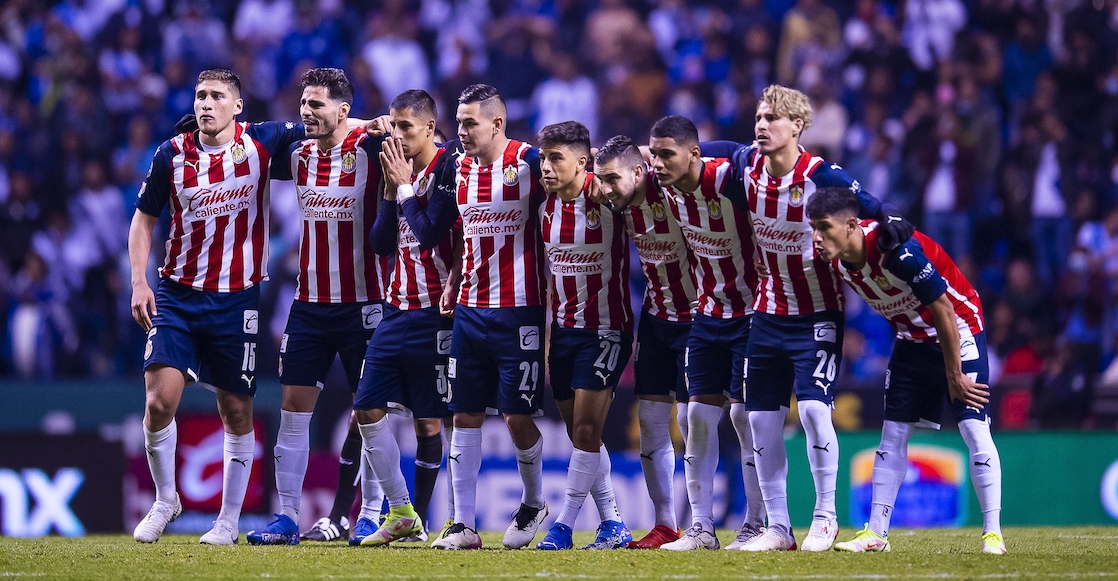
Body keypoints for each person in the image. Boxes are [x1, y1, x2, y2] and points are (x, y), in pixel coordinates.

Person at [701, 85, 913, 552]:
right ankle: (778, 527)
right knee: (759, 420)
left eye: (772, 118)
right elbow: (709, 150)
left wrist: (894, 217)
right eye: (759, 117)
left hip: (818, 312)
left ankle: (825, 518)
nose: (761, 125)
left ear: (797, 126)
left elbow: (869, 202)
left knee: (816, 411)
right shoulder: (747, 165)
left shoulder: (821, 174)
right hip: (767, 313)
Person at [129, 69, 306, 545]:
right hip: (177, 295)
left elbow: (324, 124)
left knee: (236, 411)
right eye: (200, 96)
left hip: (237, 299)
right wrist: (139, 282)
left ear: (237, 105)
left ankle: (227, 521)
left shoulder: (262, 143)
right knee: (158, 401)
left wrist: (376, 123)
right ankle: (166, 499)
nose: (206, 104)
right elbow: (143, 220)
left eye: (217, 96)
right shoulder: (171, 154)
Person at [806, 186, 1005, 555]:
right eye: (813, 228)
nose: (816, 237)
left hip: (958, 330)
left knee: (973, 429)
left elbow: (944, 309)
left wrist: (953, 374)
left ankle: (993, 535)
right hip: (912, 338)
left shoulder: (897, 252)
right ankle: (876, 534)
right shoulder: (834, 260)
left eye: (824, 227)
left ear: (851, 225)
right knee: (892, 436)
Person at [243, 68, 391, 546]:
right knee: (292, 408)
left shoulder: (371, 149)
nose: (306, 112)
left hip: (364, 304)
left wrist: (375, 124)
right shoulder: (298, 154)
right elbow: (257, 133)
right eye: (304, 103)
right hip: (308, 304)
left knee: (370, 411)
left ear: (343, 111)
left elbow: (422, 138)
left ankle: (369, 515)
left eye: (317, 104)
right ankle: (287, 516)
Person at [431, 84, 549, 550]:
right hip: (469, 309)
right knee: (464, 414)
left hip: (519, 310)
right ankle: (463, 524)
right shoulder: (456, 166)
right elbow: (464, 233)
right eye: (458, 122)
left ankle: (535, 501)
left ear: (497, 123)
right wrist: (453, 278)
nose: (460, 131)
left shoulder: (530, 162)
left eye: (469, 123)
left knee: (517, 416)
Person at [639, 116, 764, 552]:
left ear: (695, 154)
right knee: (696, 419)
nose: (657, 163)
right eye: (654, 154)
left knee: (745, 418)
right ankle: (701, 529)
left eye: (667, 154)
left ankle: (756, 524)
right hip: (707, 314)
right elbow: (629, 158)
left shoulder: (728, 179)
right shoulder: (664, 185)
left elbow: (742, 158)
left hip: (751, 312)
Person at [356, 88, 463, 547]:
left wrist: (402, 187)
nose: (397, 136)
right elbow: (381, 244)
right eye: (393, 126)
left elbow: (429, 233)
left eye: (406, 127)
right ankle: (402, 512)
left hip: (438, 314)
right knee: (366, 406)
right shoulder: (398, 171)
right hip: (396, 308)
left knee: (434, 421)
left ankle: (442, 518)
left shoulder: (447, 168)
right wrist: (388, 192)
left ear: (430, 128)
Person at [532, 121, 634, 551]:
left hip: (607, 330)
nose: (546, 167)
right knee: (581, 437)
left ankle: (564, 525)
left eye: (556, 158)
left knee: (587, 428)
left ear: (582, 161)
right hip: (563, 333)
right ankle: (614, 523)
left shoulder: (608, 197)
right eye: (543, 158)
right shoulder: (543, 207)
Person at [595, 135, 697, 549]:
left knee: (695, 422)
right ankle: (666, 523)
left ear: (639, 171)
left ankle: (710, 522)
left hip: (699, 318)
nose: (604, 189)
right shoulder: (618, 201)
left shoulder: (670, 187)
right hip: (656, 318)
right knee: (652, 421)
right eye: (601, 179)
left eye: (611, 179)